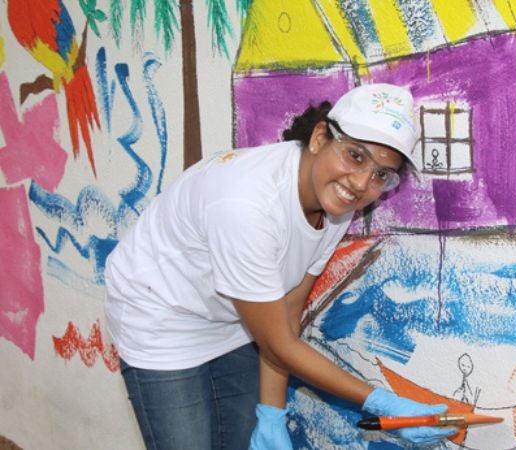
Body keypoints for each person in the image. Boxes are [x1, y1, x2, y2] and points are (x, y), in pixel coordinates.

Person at [104, 83, 457, 450]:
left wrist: (271, 415)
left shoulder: (334, 202)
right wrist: (380, 402)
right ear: (321, 137)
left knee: (241, 438)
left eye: (382, 174)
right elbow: (277, 344)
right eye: (355, 156)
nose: (362, 183)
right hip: (160, 317)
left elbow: (288, 312)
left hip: (236, 318)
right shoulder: (247, 204)